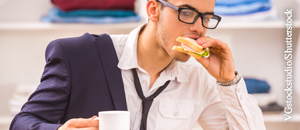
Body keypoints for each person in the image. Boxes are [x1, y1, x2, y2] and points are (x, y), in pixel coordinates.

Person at [10, 0, 266, 130]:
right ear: (153, 10)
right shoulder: (78, 55)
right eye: (186, 12)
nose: (198, 28)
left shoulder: (200, 79)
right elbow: (23, 122)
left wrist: (227, 80)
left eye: (206, 17)